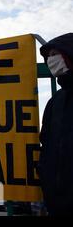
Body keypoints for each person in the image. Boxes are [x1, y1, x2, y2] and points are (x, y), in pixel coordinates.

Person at [39, 33, 73, 215]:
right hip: (56, 202)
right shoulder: (55, 102)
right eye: (48, 57)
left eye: (54, 54)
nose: (50, 61)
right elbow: (45, 142)